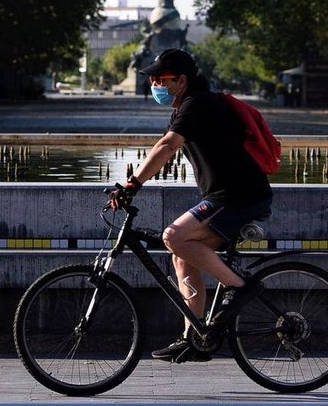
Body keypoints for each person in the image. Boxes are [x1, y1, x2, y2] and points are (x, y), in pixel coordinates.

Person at [108, 48, 273, 363]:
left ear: (182, 80)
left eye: (161, 79)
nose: (155, 84)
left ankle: (239, 287)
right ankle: (195, 339)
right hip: (228, 195)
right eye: (153, 79)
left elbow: (168, 145)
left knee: (174, 236)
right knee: (182, 254)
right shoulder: (189, 104)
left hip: (238, 196)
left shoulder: (197, 104)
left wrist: (133, 184)